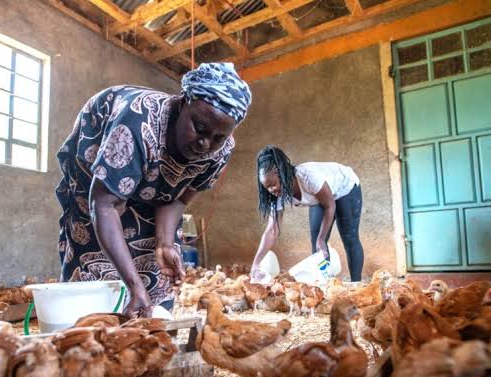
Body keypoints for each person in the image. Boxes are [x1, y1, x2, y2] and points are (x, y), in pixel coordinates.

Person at [55, 63, 251, 318]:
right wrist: (134, 286)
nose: (205, 144)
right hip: (96, 178)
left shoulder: (221, 151)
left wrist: (165, 243)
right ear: (183, 102)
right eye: (200, 128)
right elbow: (104, 205)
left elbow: (179, 199)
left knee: (156, 269)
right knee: (95, 271)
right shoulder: (137, 122)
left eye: (218, 137)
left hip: (155, 191)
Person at [250, 145, 364, 282]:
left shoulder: (308, 176)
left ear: (282, 173)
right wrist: (256, 264)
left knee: (349, 236)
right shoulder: (276, 195)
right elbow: (272, 230)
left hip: (344, 187)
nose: (271, 190)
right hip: (320, 197)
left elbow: (330, 205)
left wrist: (322, 239)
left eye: (273, 184)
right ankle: (324, 285)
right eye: (267, 187)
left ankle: (356, 284)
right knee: (317, 245)